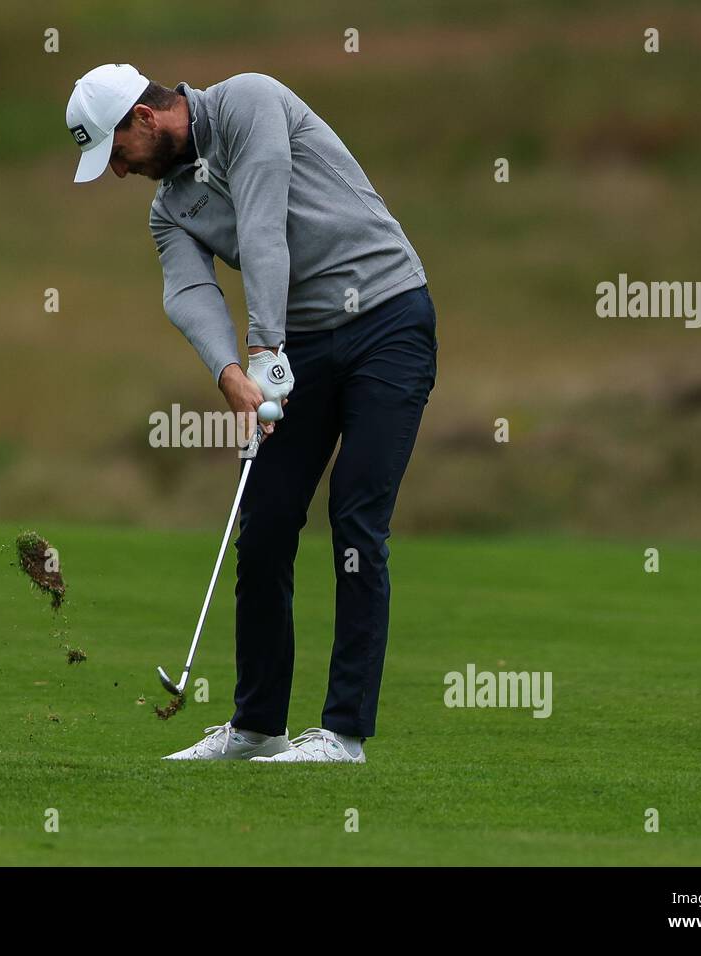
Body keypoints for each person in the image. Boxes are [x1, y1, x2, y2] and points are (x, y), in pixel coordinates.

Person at [67, 64, 437, 763]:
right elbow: (187, 293)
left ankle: (344, 733)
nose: (117, 173)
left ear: (145, 119)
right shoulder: (170, 207)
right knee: (264, 522)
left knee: (356, 516)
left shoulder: (250, 102)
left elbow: (267, 228)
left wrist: (264, 345)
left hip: (387, 319)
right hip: (302, 348)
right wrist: (232, 372)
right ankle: (258, 726)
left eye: (116, 154)